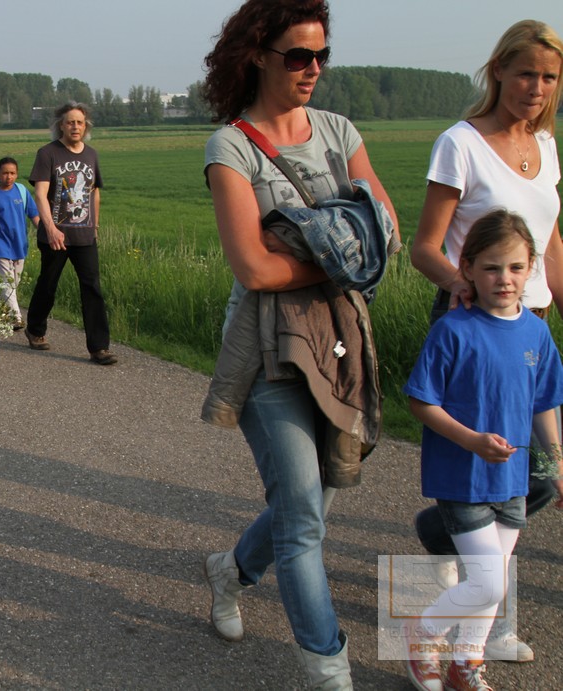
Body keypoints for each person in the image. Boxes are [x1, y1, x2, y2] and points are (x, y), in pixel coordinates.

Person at [198, 1, 398, 687]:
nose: (312, 69)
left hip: (339, 343)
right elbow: (254, 269)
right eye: (298, 56)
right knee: (305, 517)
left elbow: (388, 230)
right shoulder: (230, 146)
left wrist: (322, 253)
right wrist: (341, 256)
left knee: (312, 498)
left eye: (321, 56)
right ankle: (328, 668)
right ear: (259, 55)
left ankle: (230, 571)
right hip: (266, 350)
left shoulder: (339, 132)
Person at [408, 19, 563, 664]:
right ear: (498, 70)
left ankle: (448, 537)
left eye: (549, 77)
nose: (537, 88)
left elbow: (549, 244)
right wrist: (461, 284)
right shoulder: (461, 144)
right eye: (525, 73)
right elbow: (424, 246)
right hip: (471, 318)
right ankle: (486, 624)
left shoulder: (545, 144)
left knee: (538, 476)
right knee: (501, 468)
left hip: (530, 323)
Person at [403, 210, 563, 691]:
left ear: (531, 268)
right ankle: (422, 635)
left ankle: (465, 664)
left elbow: (544, 405)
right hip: (462, 477)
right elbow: (420, 401)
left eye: (515, 267)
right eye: (491, 268)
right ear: (468, 268)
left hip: (511, 480)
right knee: (488, 581)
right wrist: (471, 440)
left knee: (491, 581)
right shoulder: (454, 330)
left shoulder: (536, 333)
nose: (504, 279)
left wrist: (555, 468)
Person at [25, 103, 117, 365]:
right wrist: (51, 228)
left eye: (80, 122)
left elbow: (94, 192)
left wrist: (95, 226)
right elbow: (40, 194)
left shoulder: (91, 155)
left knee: (92, 287)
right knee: (48, 284)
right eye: (70, 122)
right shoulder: (48, 153)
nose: (75, 127)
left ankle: (99, 348)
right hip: (56, 236)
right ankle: (35, 329)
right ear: (61, 126)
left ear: (85, 126)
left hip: (84, 235)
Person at [0, 157, 40, 328]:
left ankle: (2, 302)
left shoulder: (22, 191)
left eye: (12, 173)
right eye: (5, 173)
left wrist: (46, 231)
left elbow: (34, 215)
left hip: (20, 243)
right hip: (1, 244)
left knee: (14, 282)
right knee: (8, 282)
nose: (9, 176)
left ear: (17, 174)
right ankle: (16, 318)